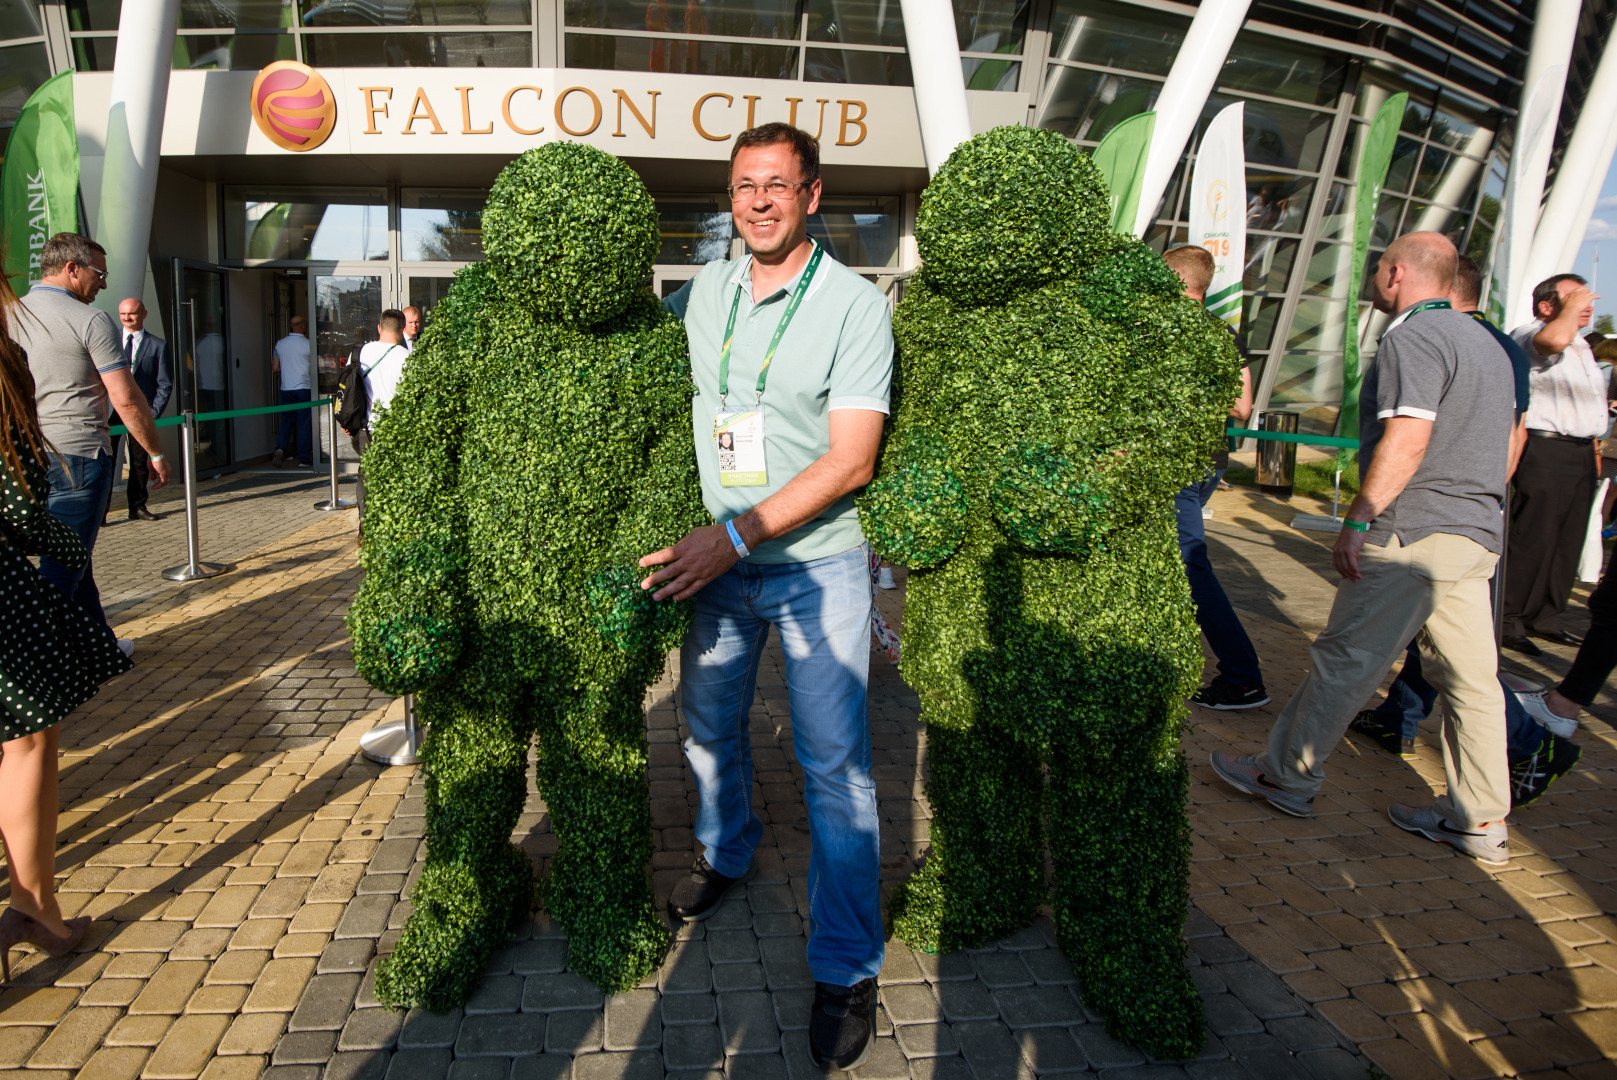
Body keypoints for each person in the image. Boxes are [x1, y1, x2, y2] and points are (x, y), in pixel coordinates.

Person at [638, 122, 892, 1070]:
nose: (759, 201)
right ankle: (726, 850)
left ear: (812, 195)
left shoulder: (855, 308)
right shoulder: (702, 291)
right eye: (745, 186)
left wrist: (736, 533)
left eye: (777, 186)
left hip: (814, 564)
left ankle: (845, 964)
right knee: (704, 728)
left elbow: (852, 459)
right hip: (717, 568)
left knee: (836, 772)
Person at [1210, 232, 1517, 866]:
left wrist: (1361, 517)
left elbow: (1408, 435)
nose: (1373, 280)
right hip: (1473, 531)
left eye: (1379, 269)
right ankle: (1480, 816)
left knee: (1347, 659)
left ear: (1398, 273)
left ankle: (1283, 774)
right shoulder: (1488, 344)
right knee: (1472, 682)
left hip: (1413, 532)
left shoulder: (1417, 336)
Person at [0, 270, 132, 981]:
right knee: (26, 741)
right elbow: (19, 502)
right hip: (7, 589)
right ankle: (34, 906)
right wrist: (68, 546)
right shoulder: (19, 349)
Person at [11, 234, 171, 635]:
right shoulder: (91, 319)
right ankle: (46, 661)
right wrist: (154, 451)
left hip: (25, 456)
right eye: (99, 274)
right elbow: (127, 399)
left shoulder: (11, 315)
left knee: (75, 556)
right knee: (62, 566)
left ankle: (101, 647)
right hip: (77, 456)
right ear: (72, 269)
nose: (102, 283)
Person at [1162, 245, 1269, 710]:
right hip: (1211, 462)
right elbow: (1243, 407)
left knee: (1191, 566)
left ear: (1174, 278)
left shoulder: (1166, 329)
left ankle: (1243, 676)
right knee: (1171, 565)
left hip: (1177, 465)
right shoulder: (1224, 334)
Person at [1503, 274, 1607, 656]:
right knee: (1535, 535)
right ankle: (1508, 617)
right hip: (1547, 449)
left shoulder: (1580, 343)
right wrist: (1567, 313)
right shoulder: (1533, 333)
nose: (1587, 304)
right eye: (1575, 298)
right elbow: (1551, 342)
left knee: (1567, 540)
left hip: (1580, 452)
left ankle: (1546, 615)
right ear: (1548, 306)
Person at [106, 298, 171, 523]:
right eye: (123, 314)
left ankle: (137, 507)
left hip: (141, 414)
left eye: (132, 313)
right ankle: (102, 512)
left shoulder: (158, 346)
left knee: (139, 461)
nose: (127, 318)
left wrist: (152, 414)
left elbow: (165, 384)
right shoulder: (108, 341)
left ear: (144, 313)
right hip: (110, 412)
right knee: (107, 462)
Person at [353, 310, 409, 521]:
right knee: (396, 477)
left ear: (379, 327)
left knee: (365, 476)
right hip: (396, 430)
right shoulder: (408, 358)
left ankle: (365, 526)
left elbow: (350, 390)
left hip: (367, 427)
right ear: (402, 330)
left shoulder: (359, 352)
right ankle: (392, 524)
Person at [270, 315, 314, 468]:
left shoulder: (280, 344)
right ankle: (303, 458)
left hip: (286, 388)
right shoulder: (309, 345)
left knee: (287, 421)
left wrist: (288, 370)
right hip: (304, 387)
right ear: (303, 327)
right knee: (303, 423)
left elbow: (275, 368)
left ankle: (280, 448)